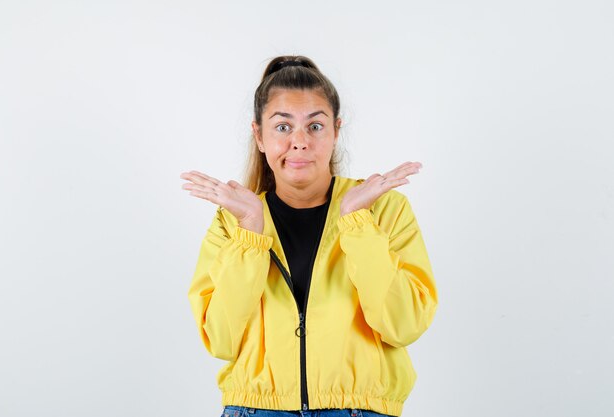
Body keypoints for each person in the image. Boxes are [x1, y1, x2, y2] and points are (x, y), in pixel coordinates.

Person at [181, 55, 438, 417]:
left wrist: (357, 221)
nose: (300, 142)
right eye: (283, 127)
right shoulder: (234, 221)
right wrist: (251, 230)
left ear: (335, 131)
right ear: (259, 136)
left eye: (315, 127)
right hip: (254, 411)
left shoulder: (384, 208)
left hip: (359, 410)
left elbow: (404, 325)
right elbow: (221, 339)